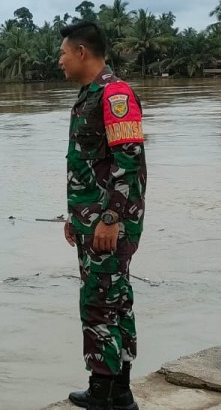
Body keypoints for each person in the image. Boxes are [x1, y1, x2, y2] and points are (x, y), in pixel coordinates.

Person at [57, 21, 147, 410]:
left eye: (62, 53)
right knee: (114, 298)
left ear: (81, 52)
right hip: (92, 221)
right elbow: (89, 166)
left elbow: (130, 163)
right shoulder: (89, 96)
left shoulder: (114, 94)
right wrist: (74, 216)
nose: (59, 60)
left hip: (108, 224)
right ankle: (118, 391)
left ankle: (104, 392)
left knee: (100, 302)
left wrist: (111, 218)